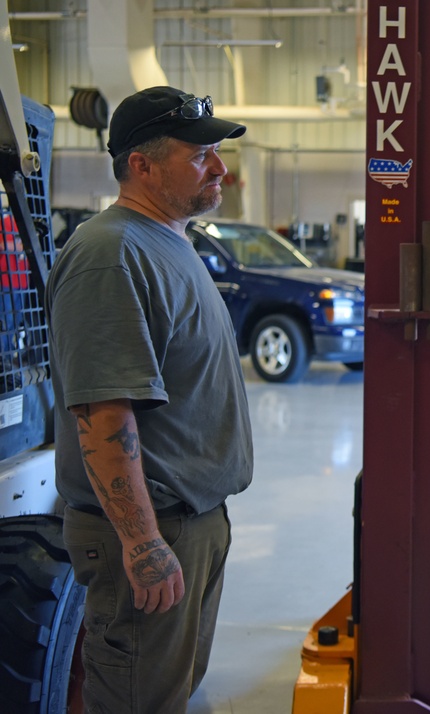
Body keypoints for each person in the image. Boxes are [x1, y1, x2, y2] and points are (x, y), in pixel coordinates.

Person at [46, 86, 254, 713]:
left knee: (168, 691)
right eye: (200, 155)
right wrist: (141, 545)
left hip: (191, 518)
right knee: (139, 699)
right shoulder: (111, 254)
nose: (219, 167)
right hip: (151, 527)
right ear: (141, 163)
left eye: (216, 152)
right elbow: (104, 414)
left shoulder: (168, 240)